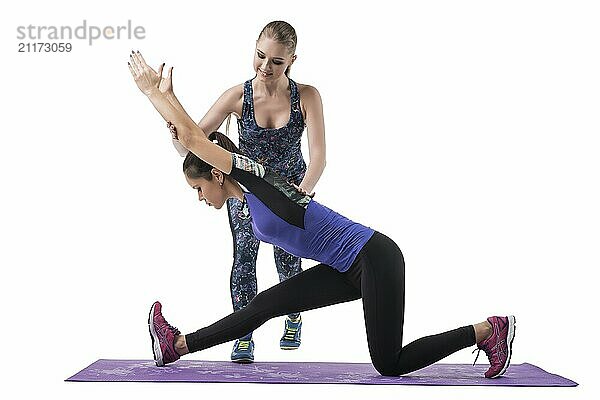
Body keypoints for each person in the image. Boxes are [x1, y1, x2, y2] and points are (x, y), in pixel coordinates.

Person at [129, 52, 516, 379]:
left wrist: (154, 93)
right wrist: (167, 102)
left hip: (374, 257)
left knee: (389, 363)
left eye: (198, 189)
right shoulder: (247, 194)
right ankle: (175, 346)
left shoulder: (253, 174)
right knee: (262, 307)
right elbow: (191, 142)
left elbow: (197, 140)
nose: (199, 198)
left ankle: (487, 330)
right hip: (345, 266)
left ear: (217, 173)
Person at [158, 21, 326, 362]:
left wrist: (301, 194)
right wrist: (169, 109)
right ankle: (243, 333)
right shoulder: (238, 96)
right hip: (246, 193)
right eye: (260, 56)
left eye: (277, 62)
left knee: (288, 258)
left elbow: (319, 156)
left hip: (292, 190)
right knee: (244, 258)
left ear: (293, 59)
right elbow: (195, 143)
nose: (265, 67)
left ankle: (293, 314)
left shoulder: (307, 96)